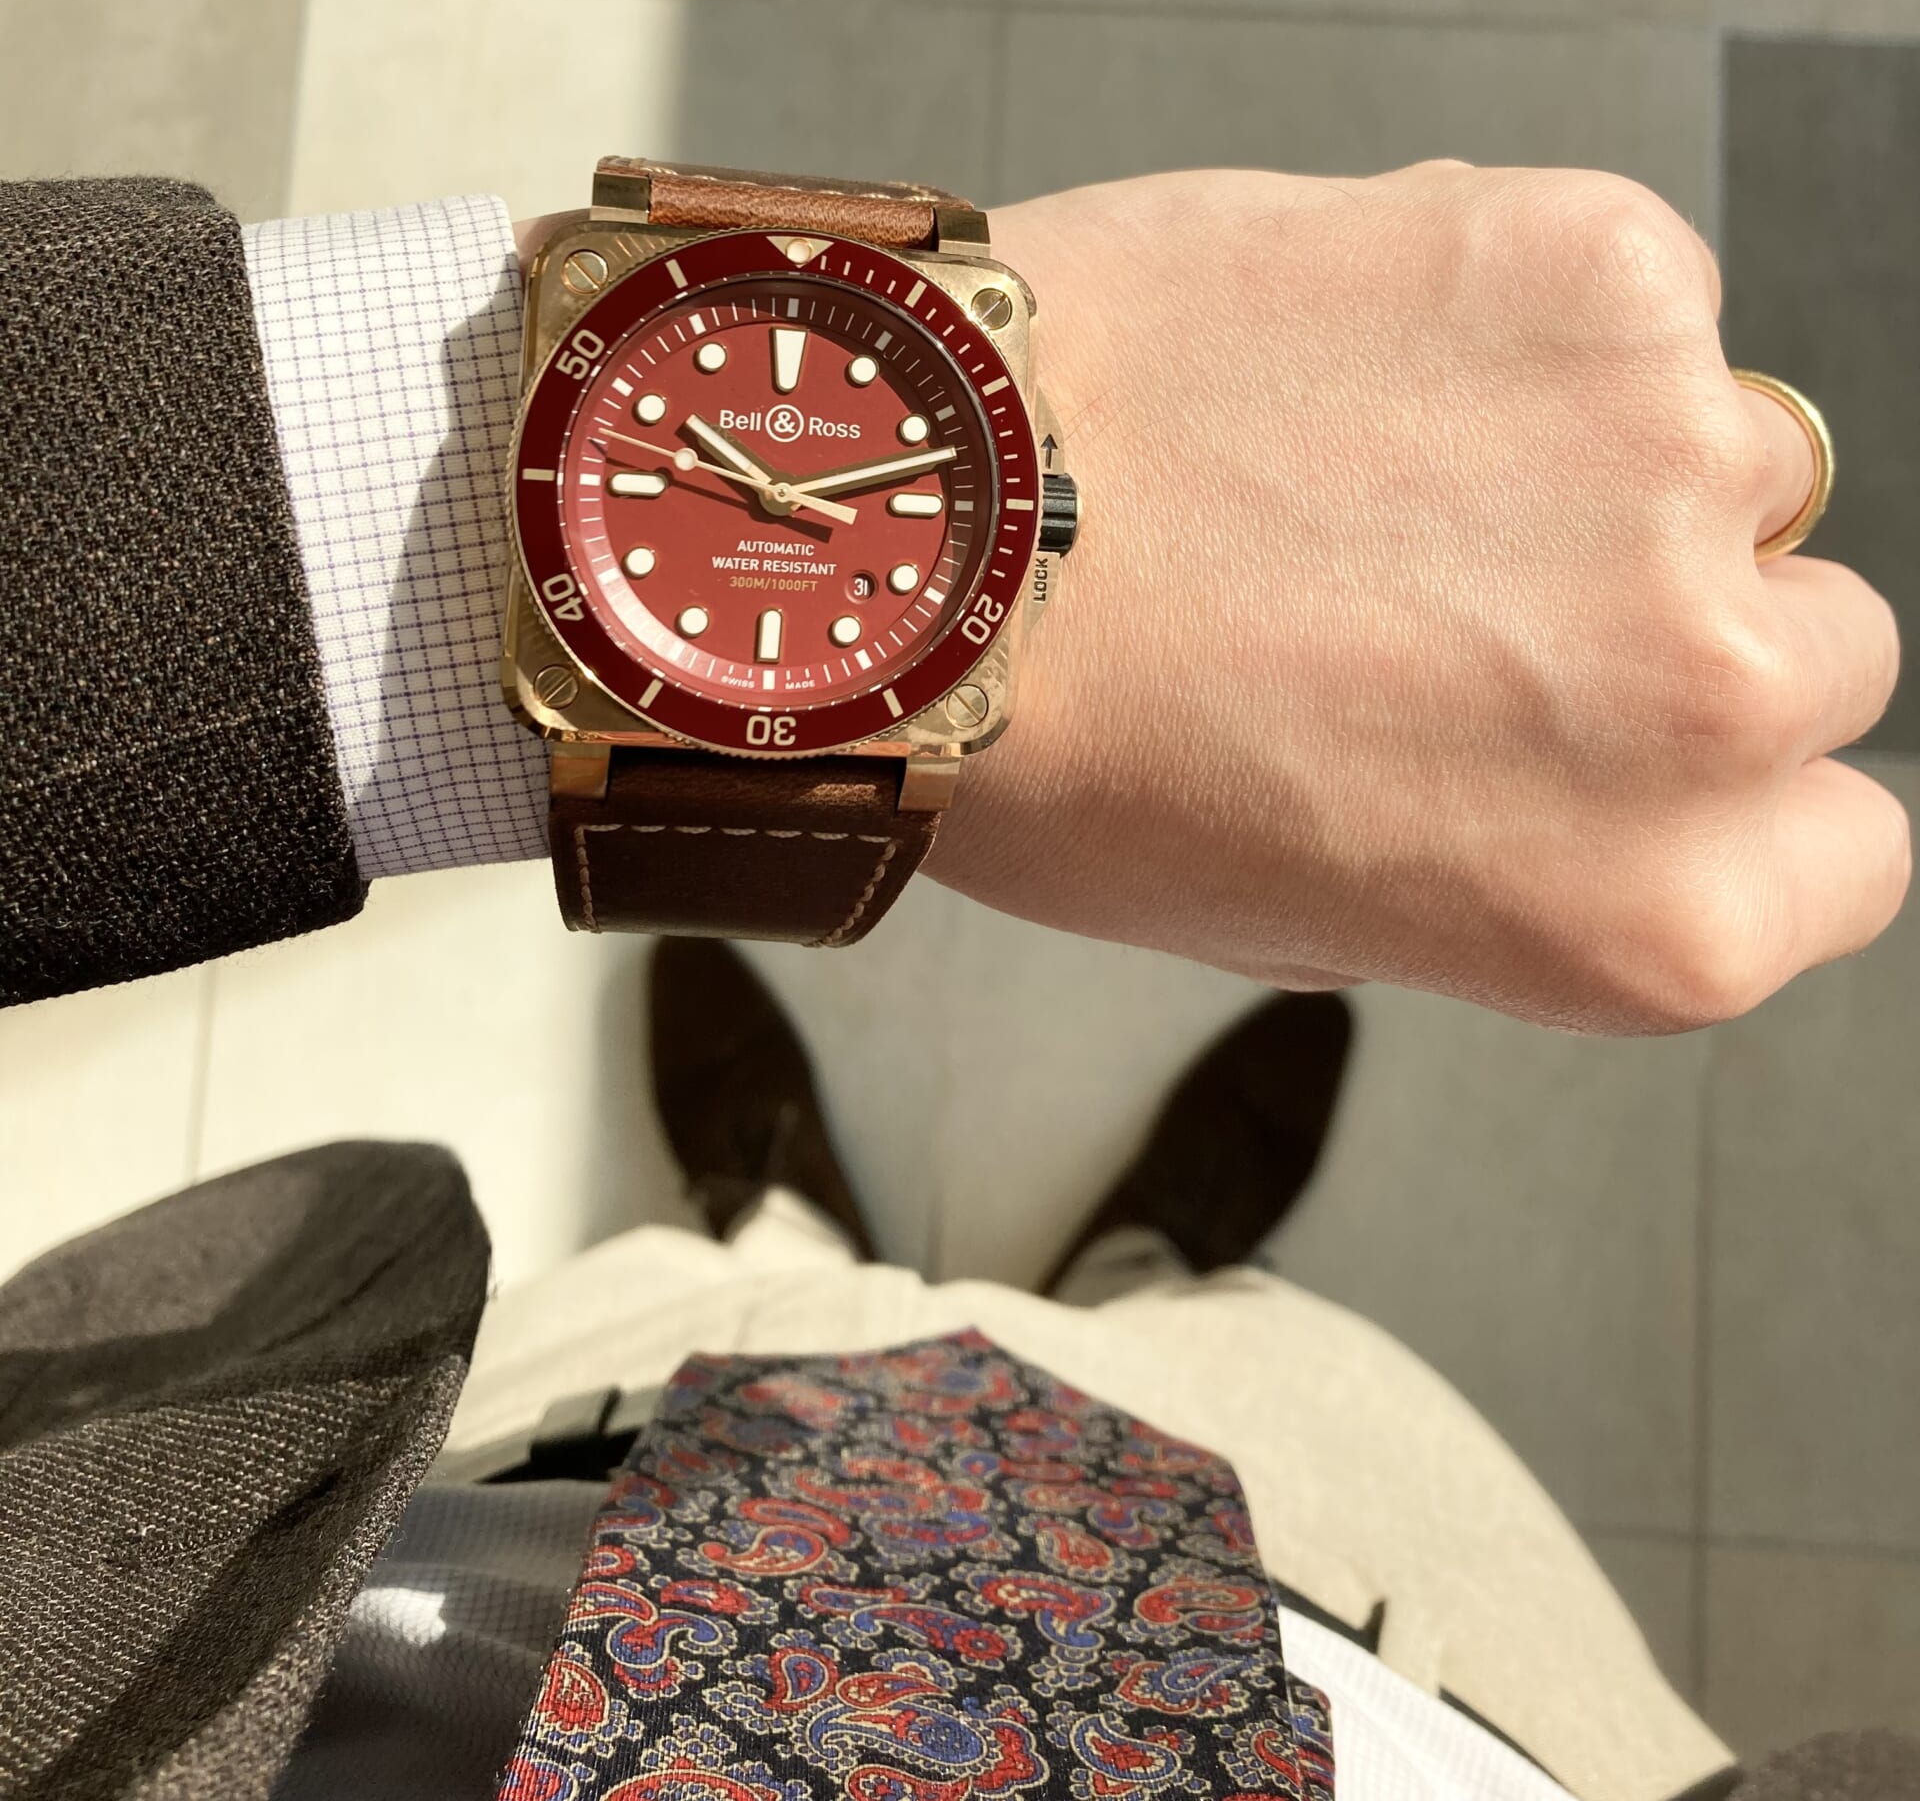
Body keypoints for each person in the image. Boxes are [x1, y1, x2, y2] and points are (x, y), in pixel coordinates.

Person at [0, 165, 1908, 1801]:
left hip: (556, 1482)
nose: (797, 512)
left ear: (1031, 529)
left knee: (710, 1296)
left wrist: (406, 549)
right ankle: (1159, 1271)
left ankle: (769, 1218)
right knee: (1266, 1362)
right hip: (1378, 1615)